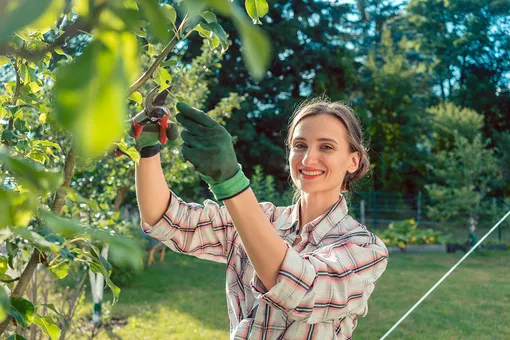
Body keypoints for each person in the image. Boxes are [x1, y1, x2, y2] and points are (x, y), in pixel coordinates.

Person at [134, 96, 389, 339]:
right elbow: (167, 220)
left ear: (353, 161)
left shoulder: (366, 249)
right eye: (300, 145)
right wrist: (147, 150)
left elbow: (300, 291)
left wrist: (231, 184)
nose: (309, 158)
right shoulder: (261, 218)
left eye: (326, 147)